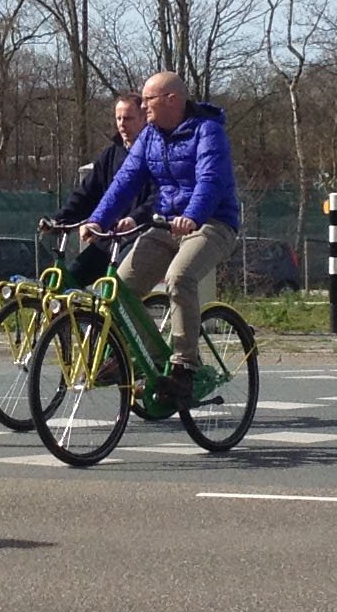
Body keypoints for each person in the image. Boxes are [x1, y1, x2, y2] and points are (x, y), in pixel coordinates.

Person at [82, 71, 240, 408]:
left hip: (211, 224)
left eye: (147, 99)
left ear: (172, 100)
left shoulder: (208, 132)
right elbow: (124, 181)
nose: (142, 106)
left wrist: (193, 215)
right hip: (167, 225)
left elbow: (210, 182)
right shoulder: (151, 136)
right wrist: (98, 220)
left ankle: (185, 367)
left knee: (179, 278)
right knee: (117, 289)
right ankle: (155, 360)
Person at [45, 93, 154, 287]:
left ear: (143, 118)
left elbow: (158, 197)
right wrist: (59, 219)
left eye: (128, 118)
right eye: (118, 118)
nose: (122, 124)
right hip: (108, 238)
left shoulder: (155, 153)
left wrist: (135, 218)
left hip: (140, 236)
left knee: (117, 287)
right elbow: (87, 193)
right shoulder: (111, 154)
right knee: (69, 280)